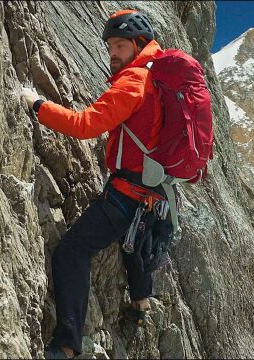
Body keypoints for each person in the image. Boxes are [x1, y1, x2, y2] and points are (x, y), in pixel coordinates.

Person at [21, 9, 170, 359]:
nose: (112, 53)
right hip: (153, 192)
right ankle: (140, 302)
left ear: (138, 44)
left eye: (119, 45)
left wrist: (38, 105)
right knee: (135, 239)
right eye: (109, 48)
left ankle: (68, 344)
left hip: (126, 193)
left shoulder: (134, 82)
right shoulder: (156, 78)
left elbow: (86, 125)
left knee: (72, 251)